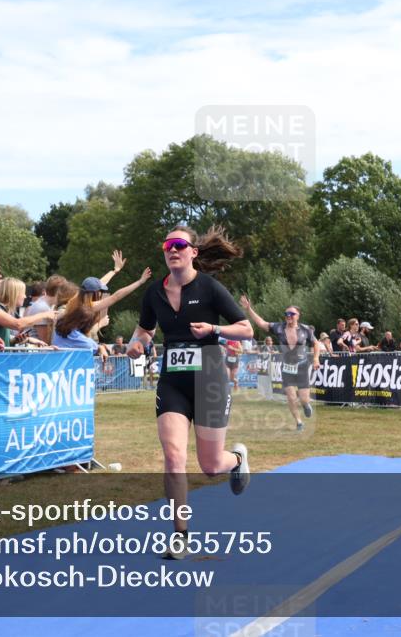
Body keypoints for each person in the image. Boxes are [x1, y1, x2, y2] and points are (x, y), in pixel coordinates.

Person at [125, 225, 253, 558]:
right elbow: (144, 331)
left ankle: (237, 459)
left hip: (210, 378)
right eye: (168, 244)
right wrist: (136, 344)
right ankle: (180, 535)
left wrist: (214, 328)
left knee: (210, 466)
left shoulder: (210, 288)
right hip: (173, 381)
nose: (172, 249)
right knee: (174, 456)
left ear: (193, 251)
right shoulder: (154, 293)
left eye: (179, 244)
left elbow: (247, 329)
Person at [241, 298, 321, 432]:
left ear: (298, 315)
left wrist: (316, 358)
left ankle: (306, 404)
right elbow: (262, 323)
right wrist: (249, 309)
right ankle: (299, 422)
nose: (288, 316)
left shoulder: (306, 329)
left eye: (291, 314)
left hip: (301, 366)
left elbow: (316, 343)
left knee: (303, 398)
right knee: (291, 396)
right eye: (286, 314)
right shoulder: (279, 327)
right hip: (286, 367)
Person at [52, 271, 151, 352]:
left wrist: (115, 271)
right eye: (100, 291)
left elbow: (98, 283)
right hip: (71, 337)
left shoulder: (75, 299)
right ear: (95, 292)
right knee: (97, 347)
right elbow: (116, 296)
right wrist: (139, 282)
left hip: (60, 337)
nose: (101, 293)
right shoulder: (87, 307)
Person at [0, 277, 57, 347]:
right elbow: (18, 324)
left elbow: (2, 340)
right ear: (13, 294)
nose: (25, 296)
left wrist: (17, 340)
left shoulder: (6, 311)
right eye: (22, 293)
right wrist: (44, 315)